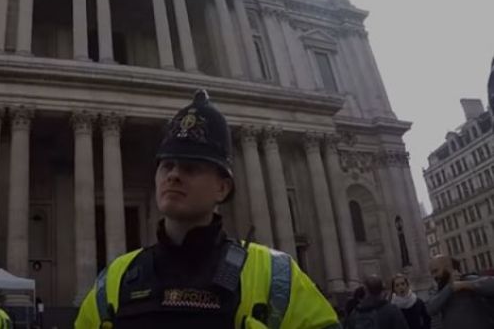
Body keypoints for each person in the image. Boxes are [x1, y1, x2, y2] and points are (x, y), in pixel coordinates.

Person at [75, 90, 340, 329]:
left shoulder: (277, 276)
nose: (174, 176)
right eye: (167, 166)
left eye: (191, 167)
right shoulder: (114, 278)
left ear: (222, 188)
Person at [426, 254, 494, 329]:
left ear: (448, 268)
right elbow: (430, 309)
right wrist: (450, 287)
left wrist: (466, 285)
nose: (434, 276)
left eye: (436, 271)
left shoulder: (468, 279)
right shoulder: (438, 291)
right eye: (432, 273)